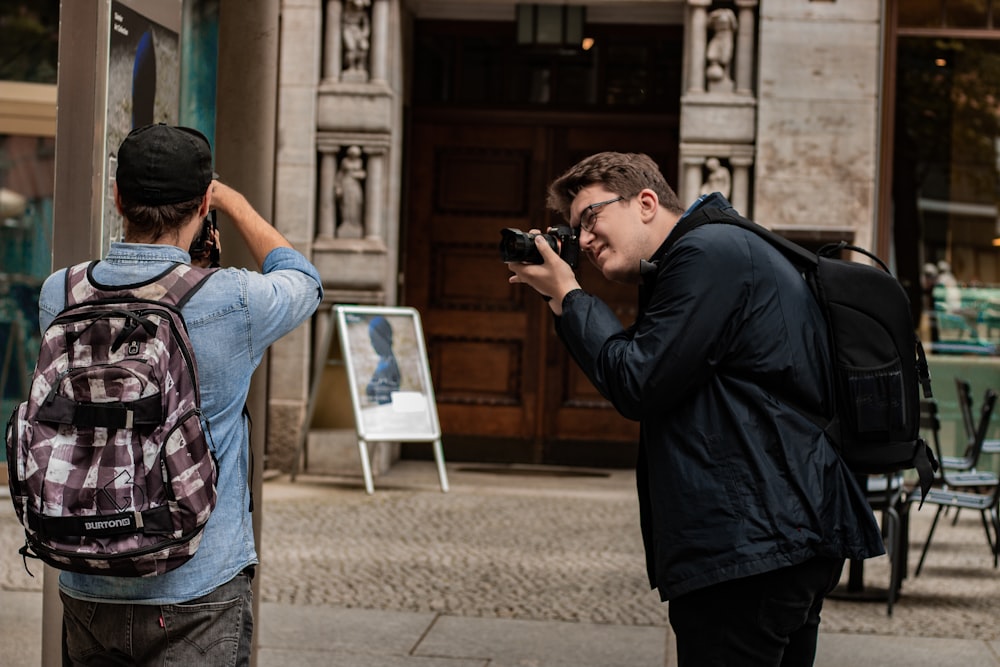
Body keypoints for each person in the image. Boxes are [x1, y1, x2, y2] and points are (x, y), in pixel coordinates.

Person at [505, 152, 883, 667]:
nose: (585, 240)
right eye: (573, 230)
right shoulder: (710, 253)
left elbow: (637, 380)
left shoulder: (708, 254)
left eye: (590, 217)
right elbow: (641, 368)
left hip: (752, 541)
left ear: (645, 202)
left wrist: (570, 295)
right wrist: (563, 298)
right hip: (776, 532)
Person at [41, 123, 323, 666]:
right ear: (204, 204)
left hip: (86, 574)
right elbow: (303, 278)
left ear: (118, 197)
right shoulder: (236, 299)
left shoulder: (61, 291)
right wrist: (236, 205)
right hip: (197, 579)